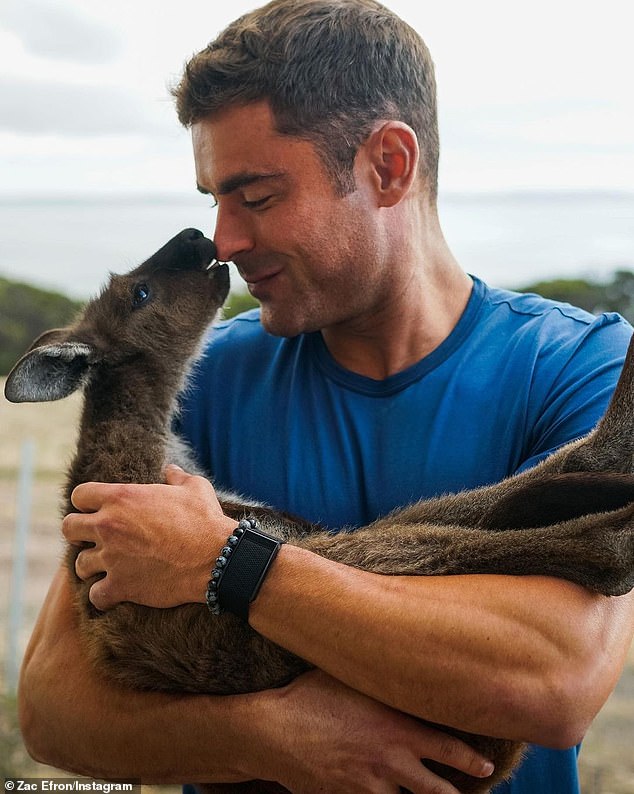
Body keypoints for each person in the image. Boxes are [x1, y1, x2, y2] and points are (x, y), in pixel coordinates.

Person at [19, 1, 634, 792]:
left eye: (258, 197)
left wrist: (225, 562)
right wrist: (267, 735)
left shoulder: (578, 364)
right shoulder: (203, 378)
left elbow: (554, 684)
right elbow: (52, 710)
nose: (225, 240)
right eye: (215, 199)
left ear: (387, 165)